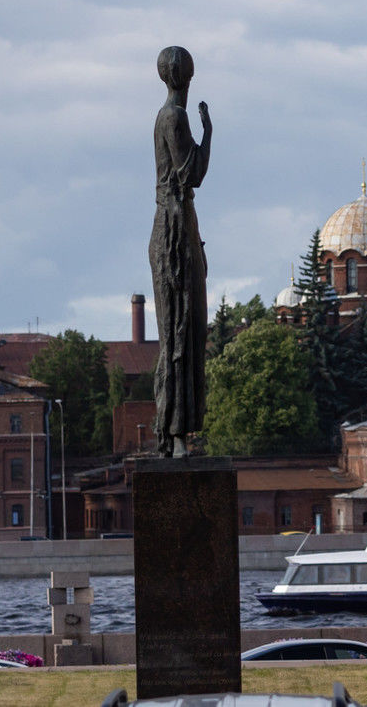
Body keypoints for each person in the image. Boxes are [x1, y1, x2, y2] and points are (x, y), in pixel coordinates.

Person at [149, 46, 212, 457]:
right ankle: (175, 432)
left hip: (177, 224)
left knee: (186, 329)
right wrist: (209, 133)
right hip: (174, 231)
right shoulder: (175, 116)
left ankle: (179, 433)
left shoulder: (166, 115)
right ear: (185, 77)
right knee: (180, 330)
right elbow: (193, 173)